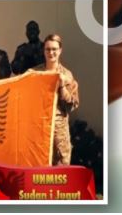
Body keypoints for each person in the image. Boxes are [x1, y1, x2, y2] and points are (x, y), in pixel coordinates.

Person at [33, 34, 79, 165]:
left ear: (60, 50)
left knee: (60, 169)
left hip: (59, 131)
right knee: (39, 170)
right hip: (39, 128)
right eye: (47, 49)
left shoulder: (67, 75)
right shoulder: (35, 73)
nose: (51, 52)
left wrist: (63, 86)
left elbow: (72, 105)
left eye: (54, 49)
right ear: (43, 51)